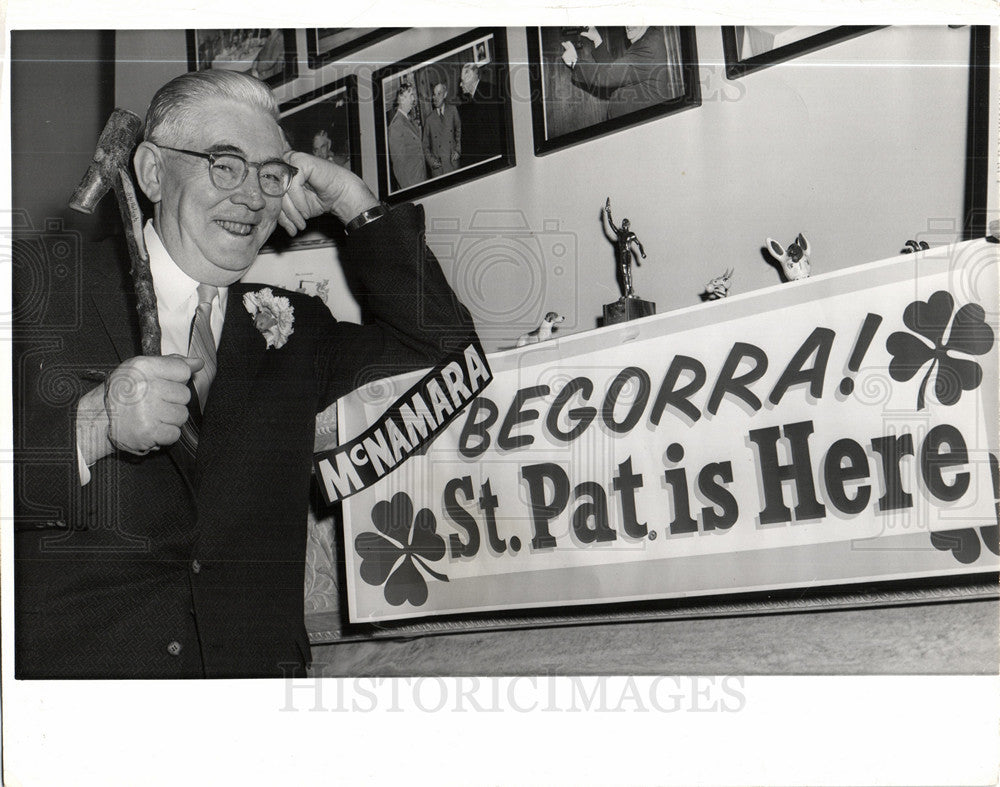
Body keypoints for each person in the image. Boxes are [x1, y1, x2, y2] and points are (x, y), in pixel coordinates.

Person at [13, 69, 477, 679]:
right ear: (152, 172)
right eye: (225, 164)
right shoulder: (38, 289)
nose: (254, 197)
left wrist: (355, 205)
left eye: (270, 174)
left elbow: (447, 356)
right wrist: (94, 423)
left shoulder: (296, 328)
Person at [561, 26, 675, 120]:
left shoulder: (647, 46)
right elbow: (616, 74)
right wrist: (597, 39)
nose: (629, 25)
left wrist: (574, 63)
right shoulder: (646, 41)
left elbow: (607, 76)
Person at [457, 63, 502, 168]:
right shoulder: (478, 93)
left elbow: (492, 130)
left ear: (470, 78)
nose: (460, 85)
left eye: (462, 81)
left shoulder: (488, 92)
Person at [387, 82, 426, 189]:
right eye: (411, 96)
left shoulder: (409, 120)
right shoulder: (396, 126)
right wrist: (409, 190)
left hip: (421, 178)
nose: (414, 99)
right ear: (401, 99)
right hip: (411, 183)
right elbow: (399, 165)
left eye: (413, 95)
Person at [422, 81, 461, 177]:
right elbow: (425, 146)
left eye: (439, 94)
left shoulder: (453, 111)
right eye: (434, 94)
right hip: (439, 169)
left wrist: (458, 150)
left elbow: (459, 132)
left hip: (453, 163)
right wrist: (432, 162)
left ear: (445, 94)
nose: (435, 98)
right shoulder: (429, 119)